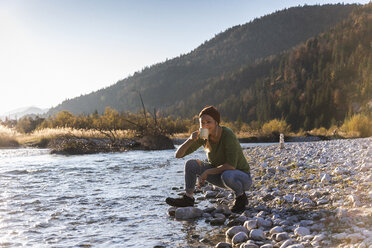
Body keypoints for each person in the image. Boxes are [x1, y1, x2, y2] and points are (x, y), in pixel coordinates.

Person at [166, 106, 252, 213]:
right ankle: (188, 198)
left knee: (227, 174)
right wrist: (190, 140)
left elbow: (231, 166)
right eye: (202, 123)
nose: (205, 125)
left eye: (209, 122)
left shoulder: (227, 134)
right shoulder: (204, 136)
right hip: (221, 176)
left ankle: (241, 197)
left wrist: (207, 172)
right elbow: (178, 155)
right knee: (191, 164)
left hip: (241, 177)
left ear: (216, 122)